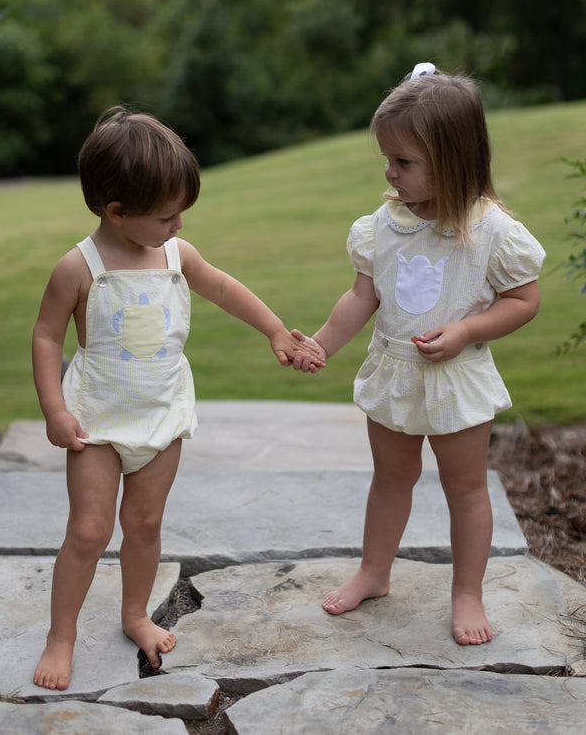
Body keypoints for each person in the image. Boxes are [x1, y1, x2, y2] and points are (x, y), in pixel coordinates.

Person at [32, 106, 323, 691]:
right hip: (97, 423)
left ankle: (135, 613)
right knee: (89, 532)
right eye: (167, 216)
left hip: (161, 415)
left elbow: (222, 286)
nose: (180, 225)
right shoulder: (78, 268)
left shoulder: (176, 257)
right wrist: (54, 410)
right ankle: (60, 637)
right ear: (116, 212)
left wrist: (274, 329)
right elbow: (46, 335)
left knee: (144, 524)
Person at [292, 63, 545, 645]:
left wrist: (466, 331)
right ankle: (374, 572)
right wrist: (322, 343)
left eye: (403, 162)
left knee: (466, 488)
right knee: (389, 478)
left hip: (457, 379)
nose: (389, 172)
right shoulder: (384, 226)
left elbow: (523, 301)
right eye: (387, 158)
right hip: (397, 374)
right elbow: (363, 295)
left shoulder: (494, 233)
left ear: (453, 160)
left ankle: (467, 592)